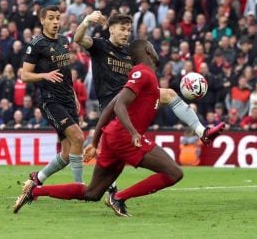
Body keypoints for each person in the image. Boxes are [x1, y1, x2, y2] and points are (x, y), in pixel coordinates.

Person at [13, 40, 225, 216]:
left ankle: (35, 191)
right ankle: (119, 196)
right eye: (153, 48)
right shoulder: (143, 74)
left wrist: (95, 142)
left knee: (92, 193)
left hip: (113, 138)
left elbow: (110, 109)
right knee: (174, 173)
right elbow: (121, 105)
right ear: (148, 52)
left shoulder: (144, 77)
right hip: (125, 138)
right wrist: (133, 132)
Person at [72, 12, 226, 194]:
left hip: (132, 99)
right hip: (114, 104)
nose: (126, 33)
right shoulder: (100, 46)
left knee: (169, 94)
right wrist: (87, 20)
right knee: (114, 159)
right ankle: (110, 190)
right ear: (111, 29)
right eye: (122, 29)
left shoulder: (131, 53)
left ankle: (202, 131)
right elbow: (78, 38)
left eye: (128, 30)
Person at [22, 5, 85, 184]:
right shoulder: (36, 45)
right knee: (78, 137)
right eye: (50, 18)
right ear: (42, 20)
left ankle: (37, 179)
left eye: (57, 18)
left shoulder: (64, 40)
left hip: (67, 99)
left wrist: (73, 94)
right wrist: (44, 75)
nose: (55, 21)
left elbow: (65, 71)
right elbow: (24, 75)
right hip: (50, 100)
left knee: (66, 153)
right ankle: (79, 187)